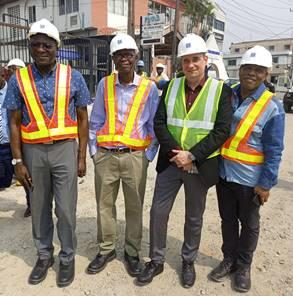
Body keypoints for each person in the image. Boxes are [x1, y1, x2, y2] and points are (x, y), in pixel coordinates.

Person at [136, 33, 232, 288]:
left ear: (205, 60)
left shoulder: (220, 91)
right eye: (186, 60)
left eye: (195, 60)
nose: (190, 65)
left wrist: (192, 156)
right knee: (158, 211)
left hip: (199, 166)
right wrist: (177, 155)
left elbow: (222, 130)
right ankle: (156, 260)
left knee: (194, 216)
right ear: (180, 63)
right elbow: (160, 123)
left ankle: (188, 261)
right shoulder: (170, 87)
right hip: (171, 162)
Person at [3, 18, 90, 287]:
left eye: (47, 45)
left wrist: (81, 156)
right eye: (36, 44)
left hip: (65, 150)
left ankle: (67, 257)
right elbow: (13, 122)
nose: (41, 49)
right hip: (32, 153)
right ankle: (44, 256)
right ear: (30, 47)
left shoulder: (73, 75)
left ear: (56, 47)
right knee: (39, 208)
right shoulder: (19, 79)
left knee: (65, 209)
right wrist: (18, 160)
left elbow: (82, 117)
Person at [208, 46, 285, 293]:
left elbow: (274, 150)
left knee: (249, 224)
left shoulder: (272, 107)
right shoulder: (227, 94)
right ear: (239, 70)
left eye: (258, 70)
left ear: (266, 74)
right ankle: (228, 259)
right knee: (227, 220)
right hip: (225, 174)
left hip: (251, 180)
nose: (252, 73)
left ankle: (243, 267)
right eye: (248, 68)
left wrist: (265, 184)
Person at [88, 33, 159, 278]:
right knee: (104, 205)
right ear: (113, 60)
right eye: (119, 55)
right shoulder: (103, 84)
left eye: (128, 54)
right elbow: (96, 120)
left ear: (136, 57)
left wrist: (148, 155)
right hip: (106, 156)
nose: (124, 59)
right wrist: (94, 151)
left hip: (135, 157)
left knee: (134, 207)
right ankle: (107, 249)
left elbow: (153, 125)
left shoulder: (149, 88)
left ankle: (132, 252)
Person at [5, 58, 31, 218]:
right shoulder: (9, 89)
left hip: (26, 140)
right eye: (10, 70)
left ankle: (32, 202)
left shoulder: (26, 89)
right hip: (11, 140)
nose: (11, 74)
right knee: (21, 173)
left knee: (29, 174)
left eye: (14, 70)